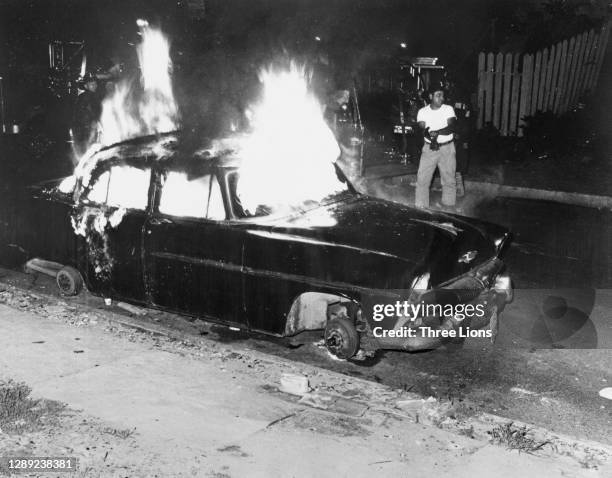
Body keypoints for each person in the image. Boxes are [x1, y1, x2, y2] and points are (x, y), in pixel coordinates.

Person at [415, 86, 457, 209]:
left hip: (447, 148)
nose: (442, 98)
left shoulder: (448, 109)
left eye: (442, 95)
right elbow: (422, 128)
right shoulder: (422, 111)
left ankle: (449, 208)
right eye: (438, 95)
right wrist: (428, 133)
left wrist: (436, 132)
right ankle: (421, 208)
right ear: (430, 97)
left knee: (449, 179)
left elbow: (452, 127)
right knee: (422, 179)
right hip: (429, 149)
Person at [71, 72, 100, 157]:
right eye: (92, 84)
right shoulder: (87, 97)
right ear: (86, 86)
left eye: (95, 84)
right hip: (86, 129)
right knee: (88, 150)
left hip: (85, 129)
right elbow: (84, 113)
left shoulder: (88, 96)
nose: (95, 86)